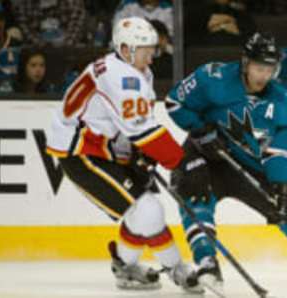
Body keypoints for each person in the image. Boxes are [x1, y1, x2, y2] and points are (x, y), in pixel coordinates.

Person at [165, 32, 287, 291]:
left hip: (250, 165)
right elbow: (175, 102)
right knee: (195, 192)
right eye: (259, 67)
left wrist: (282, 186)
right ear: (246, 63)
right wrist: (199, 130)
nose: (263, 75)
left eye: (270, 69)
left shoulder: (286, 105)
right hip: (206, 154)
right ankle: (206, 261)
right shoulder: (213, 78)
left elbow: (279, 153)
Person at [45, 17, 205, 293]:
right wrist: (181, 162)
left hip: (107, 149)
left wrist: (141, 153)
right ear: (127, 48)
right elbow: (143, 130)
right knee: (145, 209)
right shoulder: (123, 77)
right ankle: (174, 268)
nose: (152, 58)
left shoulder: (135, 71)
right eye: (146, 51)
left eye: (153, 50)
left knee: (147, 211)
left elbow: (135, 125)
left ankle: (126, 266)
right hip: (82, 152)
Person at [13, 0, 86, 47]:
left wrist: (63, 46)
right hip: (35, 53)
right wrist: (42, 45)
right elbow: (26, 32)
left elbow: (74, 34)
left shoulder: (74, 2)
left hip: (67, 52)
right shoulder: (23, 4)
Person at [184, 0, 257, 46]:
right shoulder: (193, 12)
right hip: (200, 56)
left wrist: (237, 32)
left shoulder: (242, 15)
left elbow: (253, 39)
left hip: (233, 55)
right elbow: (186, 39)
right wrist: (208, 26)